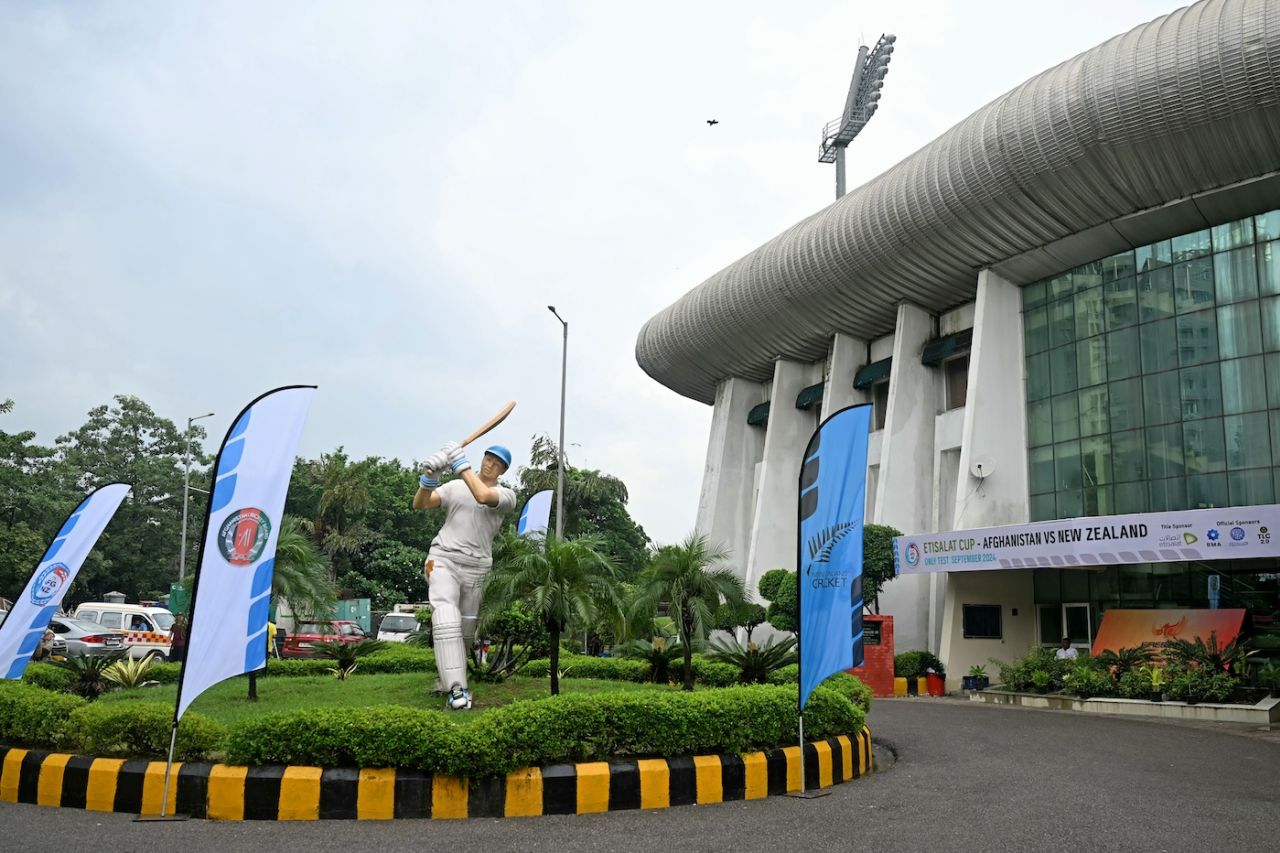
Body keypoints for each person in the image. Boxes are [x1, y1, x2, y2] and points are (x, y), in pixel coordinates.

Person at [413, 441, 516, 710]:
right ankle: (457, 690)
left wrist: (459, 464)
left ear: (503, 471)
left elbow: (482, 496)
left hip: (478, 567)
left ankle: (446, 677)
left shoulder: (506, 496)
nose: (489, 464)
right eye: (487, 458)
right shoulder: (456, 487)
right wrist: (429, 478)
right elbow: (421, 504)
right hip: (443, 558)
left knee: (465, 631)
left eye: (497, 463)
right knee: (446, 616)